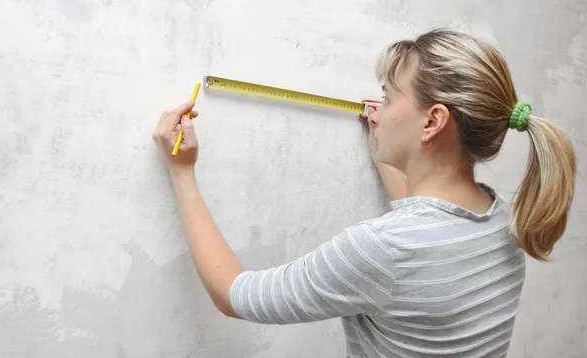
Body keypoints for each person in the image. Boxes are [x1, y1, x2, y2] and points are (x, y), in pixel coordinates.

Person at [152, 28, 576, 357]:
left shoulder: (379, 248)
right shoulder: (501, 221)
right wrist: (391, 157)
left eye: (389, 99)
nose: (378, 108)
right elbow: (422, 241)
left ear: (432, 122)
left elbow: (234, 296)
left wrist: (182, 172)